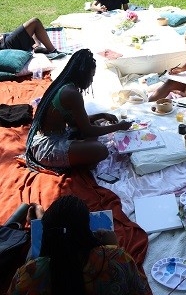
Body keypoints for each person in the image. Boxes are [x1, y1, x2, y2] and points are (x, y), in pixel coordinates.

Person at [7, 195, 151, 295]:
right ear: (86, 231)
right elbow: (140, 289)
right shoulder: (116, 260)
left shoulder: (29, 273)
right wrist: (114, 247)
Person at [25, 49, 132, 173]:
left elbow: (79, 121)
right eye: (91, 76)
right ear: (83, 74)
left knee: (96, 125)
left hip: (52, 136)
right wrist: (119, 127)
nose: (91, 81)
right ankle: (80, 161)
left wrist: (101, 115)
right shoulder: (72, 94)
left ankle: (80, 155)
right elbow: (88, 130)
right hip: (46, 148)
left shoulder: (64, 85)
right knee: (101, 150)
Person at [0, 18, 66, 59]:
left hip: (5, 40)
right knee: (35, 22)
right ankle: (53, 51)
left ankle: (36, 47)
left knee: (32, 31)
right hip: (6, 46)